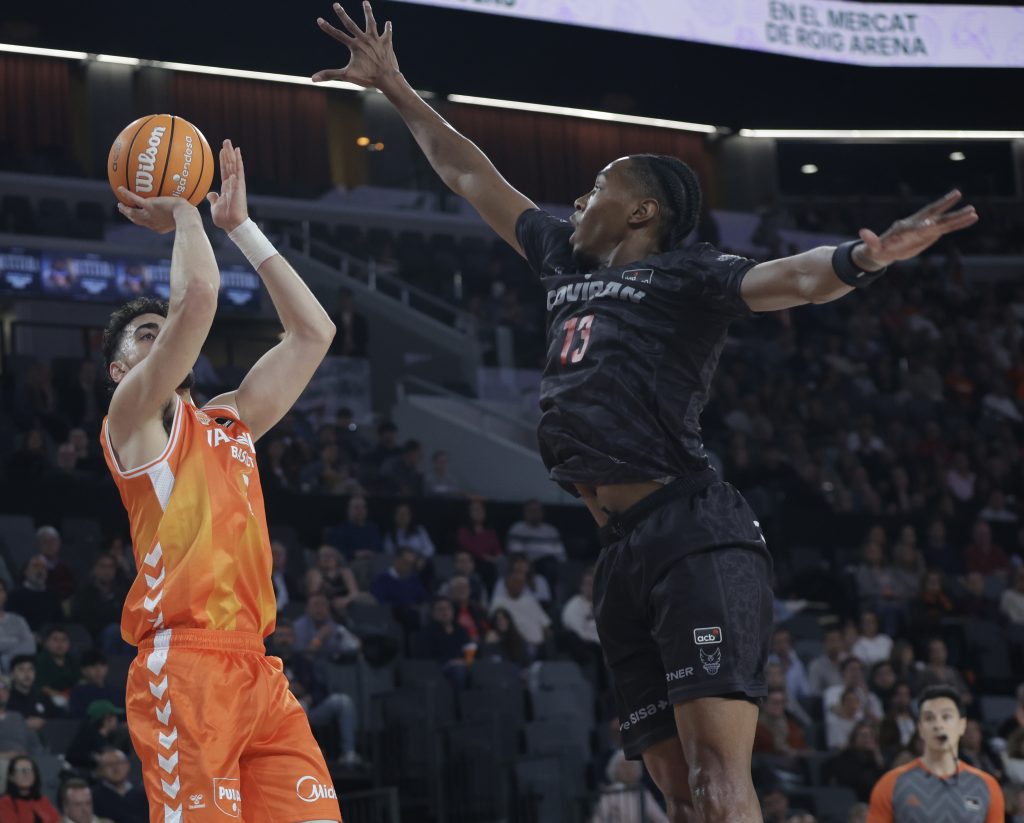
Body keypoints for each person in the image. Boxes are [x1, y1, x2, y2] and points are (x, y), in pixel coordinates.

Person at [314, 6, 979, 819]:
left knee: (718, 781)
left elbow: (794, 279)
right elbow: (470, 175)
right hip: (620, 552)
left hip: (692, 531)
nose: (578, 196)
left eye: (599, 185)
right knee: (676, 793)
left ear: (642, 212)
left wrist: (864, 258)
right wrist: (395, 87)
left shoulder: (687, 275)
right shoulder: (562, 260)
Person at [99, 141, 341, 821]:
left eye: (161, 330)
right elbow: (198, 298)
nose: (159, 339)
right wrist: (184, 211)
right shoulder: (130, 420)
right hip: (185, 667)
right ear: (119, 371)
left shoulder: (229, 421)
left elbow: (314, 333)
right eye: (143, 336)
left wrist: (240, 226)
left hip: (257, 670)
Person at [868, 685, 1004, 822]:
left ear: (961, 725)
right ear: (920, 728)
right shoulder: (891, 784)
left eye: (946, 717)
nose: (938, 725)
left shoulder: (986, 786)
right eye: (929, 718)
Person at [506, 499, 566, 593]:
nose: (534, 513)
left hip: (546, 565)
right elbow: (515, 551)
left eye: (537, 510)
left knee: (551, 566)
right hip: (524, 563)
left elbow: (560, 555)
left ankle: (549, 596)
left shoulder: (551, 531)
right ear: (525, 512)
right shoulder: (517, 529)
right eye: (531, 510)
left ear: (542, 512)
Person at [69, 554, 127, 642]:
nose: (107, 571)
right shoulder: (84, 593)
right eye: (103, 566)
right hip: (93, 636)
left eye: (110, 567)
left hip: (119, 633)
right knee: (114, 631)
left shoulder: (121, 593)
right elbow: (82, 619)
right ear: (95, 569)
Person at [822, 721, 884, 801]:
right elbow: (859, 781)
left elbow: (886, 782)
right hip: (853, 800)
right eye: (863, 736)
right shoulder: (844, 759)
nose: (868, 740)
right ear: (854, 739)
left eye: (871, 736)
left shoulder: (877, 759)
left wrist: (878, 757)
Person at [6, 655, 64, 733]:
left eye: (31, 669)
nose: (27, 674)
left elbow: (59, 717)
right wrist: (23, 724)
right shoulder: (6, 698)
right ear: (12, 675)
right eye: (21, 669)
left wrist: (44, 723)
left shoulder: (42, 696)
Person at [90, 746, 148, 823]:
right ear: (100, 770)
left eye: (119, 763)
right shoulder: (93, 797)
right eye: (109, 764)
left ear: (127, 765)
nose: (115, 768)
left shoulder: (144, 792)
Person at [8, 555, 63, 632]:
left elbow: (60, 622)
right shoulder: (14, 596)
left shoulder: (52, 595)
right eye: (35, 566)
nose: (40, 570)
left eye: (43, 567)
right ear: (26, 572)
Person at [0, 755, 60, 823]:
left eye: (29, 770)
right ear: (11, 777)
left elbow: (56, 820)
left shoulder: (42, 800)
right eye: (20, 770)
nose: (25, 774)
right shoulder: (4, 802)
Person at [68, 651, 122, 719]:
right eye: (93, 666)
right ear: (83, 670)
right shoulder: (78, 692)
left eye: (102, 665)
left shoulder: (115, 691)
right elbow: (77, 716)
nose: (98, 670)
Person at [0, 579, 36, 671]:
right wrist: (15, 641)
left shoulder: (18, 620)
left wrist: (5, 657)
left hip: (17, 671)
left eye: (0, 590)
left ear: (5, 595)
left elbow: (31, 647)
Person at [35, 526, 76, 601]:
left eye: (53, 541)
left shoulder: (66, 568)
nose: (50, 545)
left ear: (59, 543)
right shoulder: (32, 567)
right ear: (39, 544)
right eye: (45, 541)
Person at [807, 627, 846, 696]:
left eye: (838, 640)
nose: (835, 645)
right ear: (824, 644)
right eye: (832, 641)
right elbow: (814, 692)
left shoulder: (848, 661)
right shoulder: (816, 666)